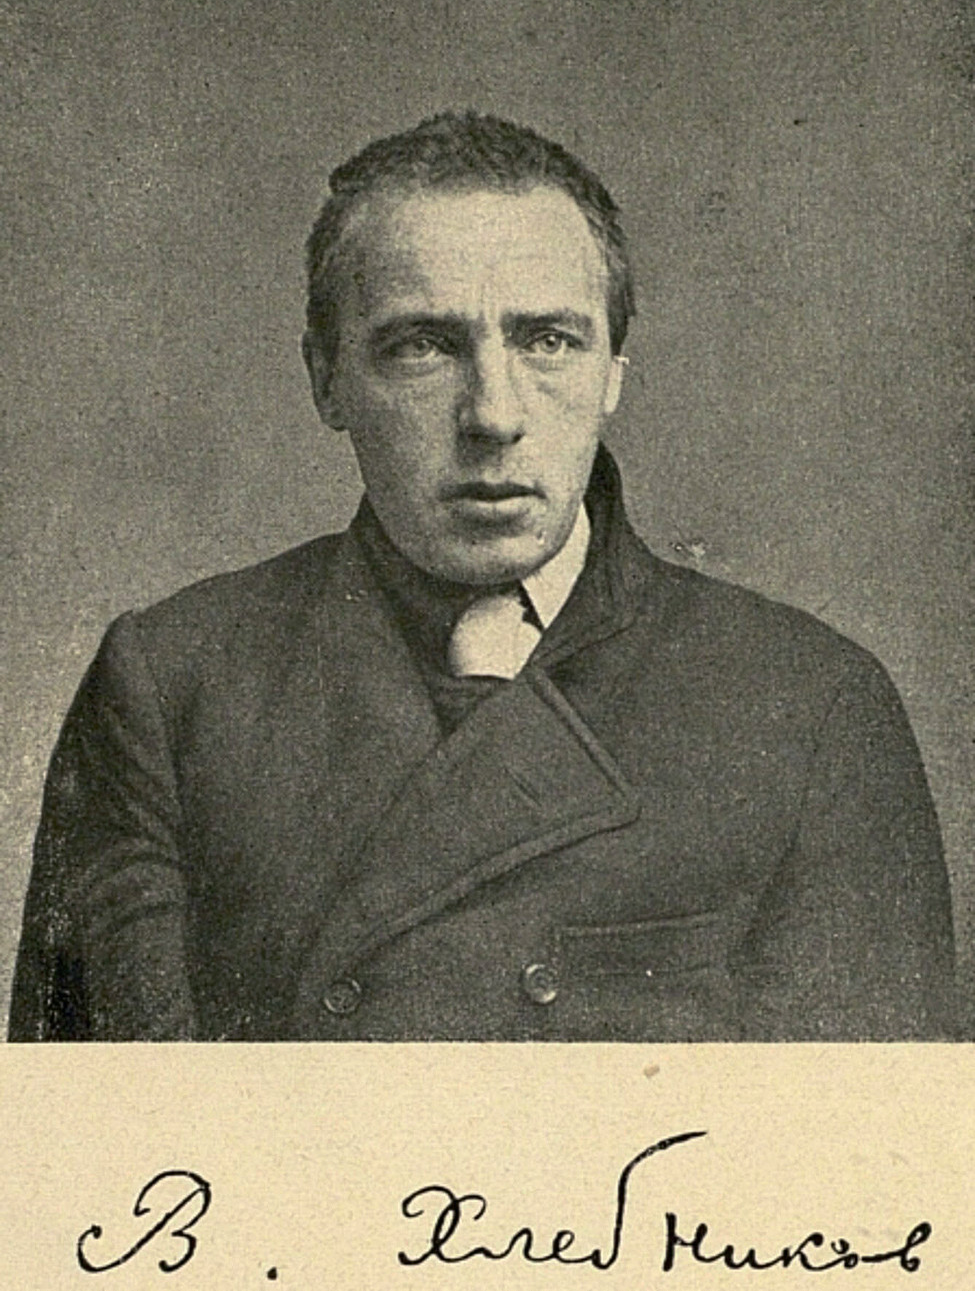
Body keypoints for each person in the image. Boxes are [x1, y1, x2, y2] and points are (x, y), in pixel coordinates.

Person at [9, 111, 956, 1042]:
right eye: (423, 345)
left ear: (612, 374)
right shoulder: (172, 686)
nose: (493, 415)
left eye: (548, 340)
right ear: (326, 379)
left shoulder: (808, 706)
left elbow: (845, 1132)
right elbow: (114, 1128)